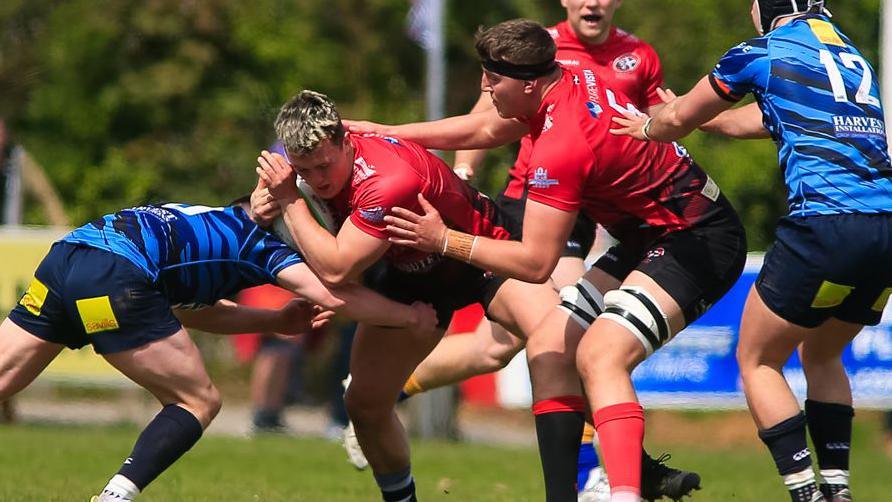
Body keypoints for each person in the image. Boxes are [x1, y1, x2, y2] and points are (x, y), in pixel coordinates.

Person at [350, 19, 747, 501]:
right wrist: (392, 133)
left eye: (493, 79)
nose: (484, 87)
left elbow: (536, 264)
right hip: (647, 233)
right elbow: (485, 126)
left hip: (697, 236)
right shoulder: (566, 76)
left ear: (529, 83)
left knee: (601, 353)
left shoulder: (560, 146)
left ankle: (626, 490)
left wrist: (443, 240)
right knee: (547, 347)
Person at [610, 2, 892, 501]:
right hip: (884, 229)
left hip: (824, 224)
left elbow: (676, 117)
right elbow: (766, 118)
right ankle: (838, 491)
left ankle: (806, 495)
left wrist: (651, 125)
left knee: (757, 359)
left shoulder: (759, 52)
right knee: (823, 354)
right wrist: (707, 123)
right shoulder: (846, 54)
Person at [254, 90, 582, 502]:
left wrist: (287, 199)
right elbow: (272, 218)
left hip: (478, 253)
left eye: (325, 165)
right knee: (364, 406)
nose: (318, 180)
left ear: (345, 140)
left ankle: (592, 482)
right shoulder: (299, 169)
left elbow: (337, 268)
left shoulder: (386, 178)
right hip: (410, 273)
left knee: (556, 341)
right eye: (306, 170)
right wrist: (262, 201)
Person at [0, 198, 438, 502]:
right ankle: (118, 493)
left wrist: (276, 321)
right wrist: (408, 316)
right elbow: (333, 295)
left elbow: (185, 312)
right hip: (115, 277)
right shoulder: (258, 242)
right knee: (197, 400)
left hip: (66, 261)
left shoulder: (202, 222)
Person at [233, 284, 304, 434]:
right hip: (269, 300)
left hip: (280, 298)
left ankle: (272, 413)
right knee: (270, 356)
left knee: (281, 357)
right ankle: (262, 413)